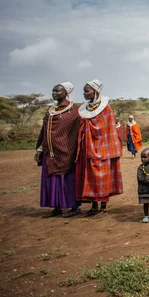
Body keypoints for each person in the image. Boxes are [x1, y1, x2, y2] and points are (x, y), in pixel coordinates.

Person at [76, 79, 123, 216]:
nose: (84, 93)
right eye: (84, 91)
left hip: (103, 148)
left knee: (102, 177)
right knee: (90, 177)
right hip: (88, 148)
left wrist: (90, 127)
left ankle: (103, 206)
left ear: (95, 91)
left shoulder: (106, 108)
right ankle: (94, 205)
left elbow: (107, 128)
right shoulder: (84, 108)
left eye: (87, 91)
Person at [35, 82, 81, 218]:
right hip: (50, 152)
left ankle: (74, 207)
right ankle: (56, 207)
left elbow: (78, 129)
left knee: (67, 180)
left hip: (67, 151)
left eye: (57, 91)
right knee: (52, 180)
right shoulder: (50, 110)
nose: (54, 93)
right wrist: (40, 148)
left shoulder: (74, 110)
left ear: (66, 93)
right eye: (53, 91)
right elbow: (44, 130)